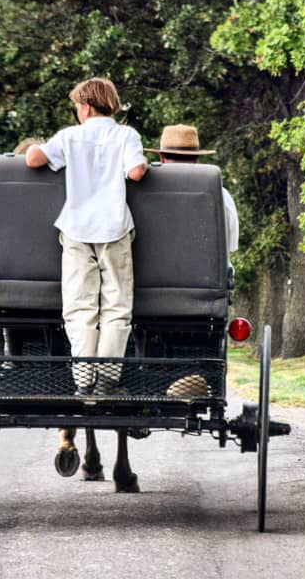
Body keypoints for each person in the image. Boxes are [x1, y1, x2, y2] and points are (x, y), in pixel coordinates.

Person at [26, 78, 147, 393]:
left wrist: (37, 147)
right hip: (114, 228)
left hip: (77, 229)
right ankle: (107, 382)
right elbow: (136, 172)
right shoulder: (126, 135)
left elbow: (34, 159)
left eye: (78, 106)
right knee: (116, 306)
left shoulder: (69, 137)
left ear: (87, 106)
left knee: (80, 308)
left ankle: (83, 382)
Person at [147, 124, 239, 257]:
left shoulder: (142, 195)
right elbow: (231, 245)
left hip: (153, 277)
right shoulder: (221, 195)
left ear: (162, 158)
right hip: (210, 277)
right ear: (197, 158)